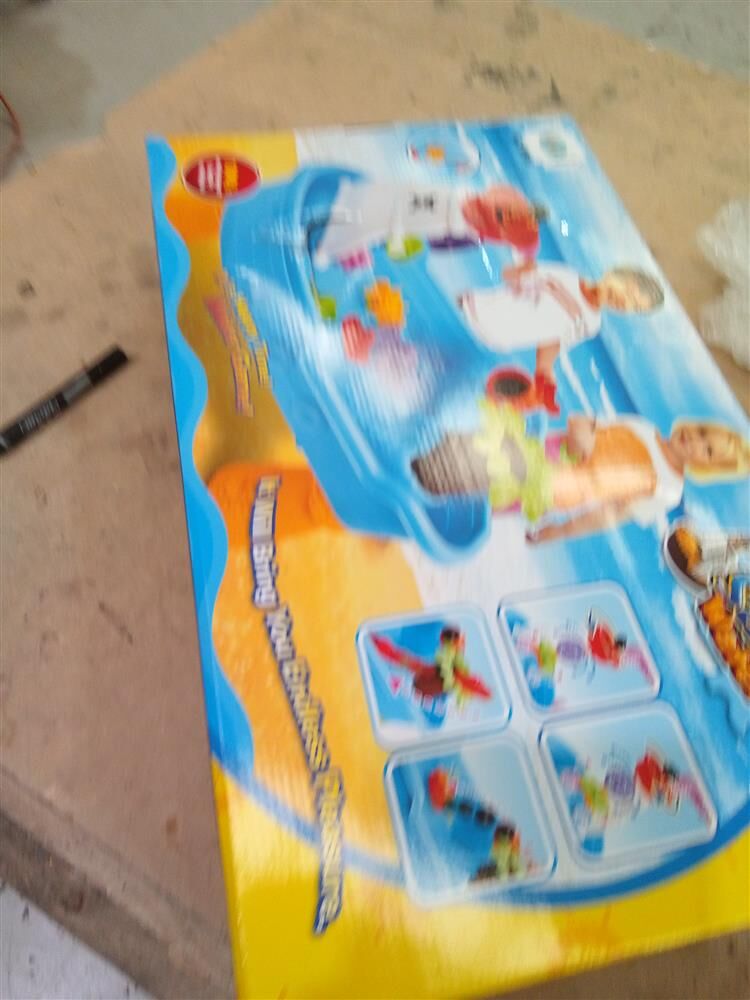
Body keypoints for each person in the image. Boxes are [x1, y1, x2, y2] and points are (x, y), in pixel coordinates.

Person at [411, 403, 749, 543]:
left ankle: (419, 515)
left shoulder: (668, 489)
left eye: (707, 450)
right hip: (540, 452)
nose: (695, 441)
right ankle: (419, 464)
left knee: (481, 501)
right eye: (702, 432)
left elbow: (610, 514)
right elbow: (580, 421)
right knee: (473, 459)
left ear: (708, 467)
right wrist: (583, 438)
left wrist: (560, 531)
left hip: (549, 491)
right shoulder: (642, 427)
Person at [457, 261, 664, 379]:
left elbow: (553, 341)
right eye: (629, 291)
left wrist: (544, 370)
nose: (625, 301)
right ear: (613, 273)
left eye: (634, 306)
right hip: (475, 311)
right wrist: (521, 272)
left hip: (493, 341)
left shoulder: (592, 324)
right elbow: (509, 275)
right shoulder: (566, 276)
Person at [313, 180, 545, 266]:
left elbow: (527, 248)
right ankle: (333, 244)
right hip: (449, 212)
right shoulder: (507, 201)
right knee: (390, 217)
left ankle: (340, 238)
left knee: (396, 211)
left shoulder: (511, 203)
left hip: (453, 212)